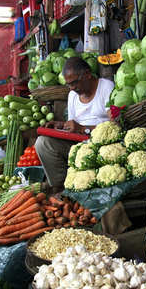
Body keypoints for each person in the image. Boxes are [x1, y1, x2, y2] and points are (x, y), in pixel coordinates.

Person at [35, 57, 114, 192]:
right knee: (43, 143)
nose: (72, 88)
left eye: (75, 83)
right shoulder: (72, 95)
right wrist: (61, 126)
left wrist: (83, 129)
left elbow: (114, 126)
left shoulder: (106, 87)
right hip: (79, 143)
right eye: (69, 85)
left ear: (88, 74)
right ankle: (61, 186)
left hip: (103, 144)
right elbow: (74, 125)